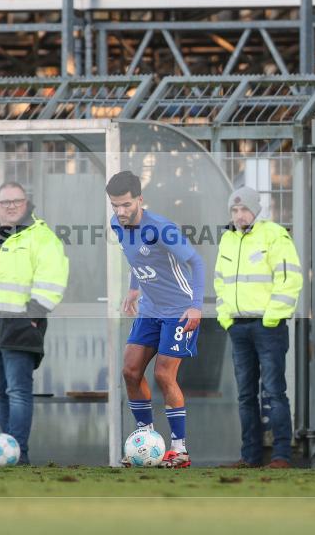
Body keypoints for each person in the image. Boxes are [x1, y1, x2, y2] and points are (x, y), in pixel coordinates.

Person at [0, 181, 69, 466]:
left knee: (18, 392)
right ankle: (8, 451)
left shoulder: (41, 236)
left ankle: (18, 453)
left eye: (16, 201)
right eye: (4, 202)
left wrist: (33, 314)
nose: (10, 206)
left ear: (27, 203)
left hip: (18, 325)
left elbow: (53, 280)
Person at [107, 170, 204, 468]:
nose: (120, 212)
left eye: (126, 205)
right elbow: (136, 259)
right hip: (150, 310)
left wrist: (196, 306)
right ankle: (145, 440)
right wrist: (134, 290)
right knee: (130, 371)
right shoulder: (116, 225)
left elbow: (195, 261)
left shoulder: (162, 228)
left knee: (164, 375)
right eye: (115, 205)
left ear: (140, 199)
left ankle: (179, 450)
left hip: (178, 310)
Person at [214, 186, 302, 469]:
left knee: (275, 392)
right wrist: (225, 317)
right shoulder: (227, 239)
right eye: (235, 210)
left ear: (256, 210)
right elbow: (219, 282)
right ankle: (250, 456)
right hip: (238, 327)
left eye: (244, 209)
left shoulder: (274, 234)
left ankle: (281, 457)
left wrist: (272, 317)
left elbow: (289, 279)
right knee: (245, 395)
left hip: (268, 327)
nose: (239, 215)